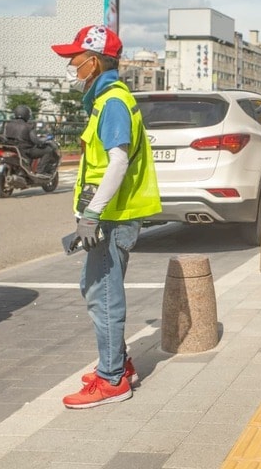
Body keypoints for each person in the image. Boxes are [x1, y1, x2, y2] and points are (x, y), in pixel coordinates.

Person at [51, 25, 162, 409]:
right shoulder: (106, 98)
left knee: (104, 295)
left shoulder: (113, 101)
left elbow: (117, 161)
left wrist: (92, 215)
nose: (72, 66)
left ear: (94, 62)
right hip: (108, 214)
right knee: (95, 287)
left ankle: (112, 379)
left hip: (111, 216)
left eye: (76, 59)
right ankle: (119, 363)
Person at [3, 105, 59, 176]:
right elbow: (36, 140)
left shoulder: (8, 125)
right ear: (27, 115)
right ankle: (40, 171)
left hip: (10, 148)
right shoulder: (29, 126)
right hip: (25, 151)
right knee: (49, 150)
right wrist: (44, 141)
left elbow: (4, 136)